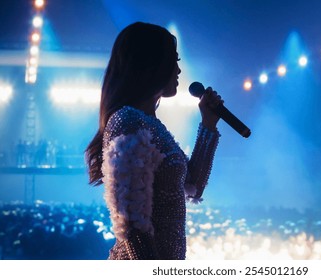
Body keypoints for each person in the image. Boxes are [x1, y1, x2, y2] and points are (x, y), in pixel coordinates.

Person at [85, 22, 223, 260]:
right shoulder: (128, 122)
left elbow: (193, 186)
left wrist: (208, 125)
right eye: (174, 61)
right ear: (151, 64)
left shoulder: (151, 124)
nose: (179, 71)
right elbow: (132, 225)